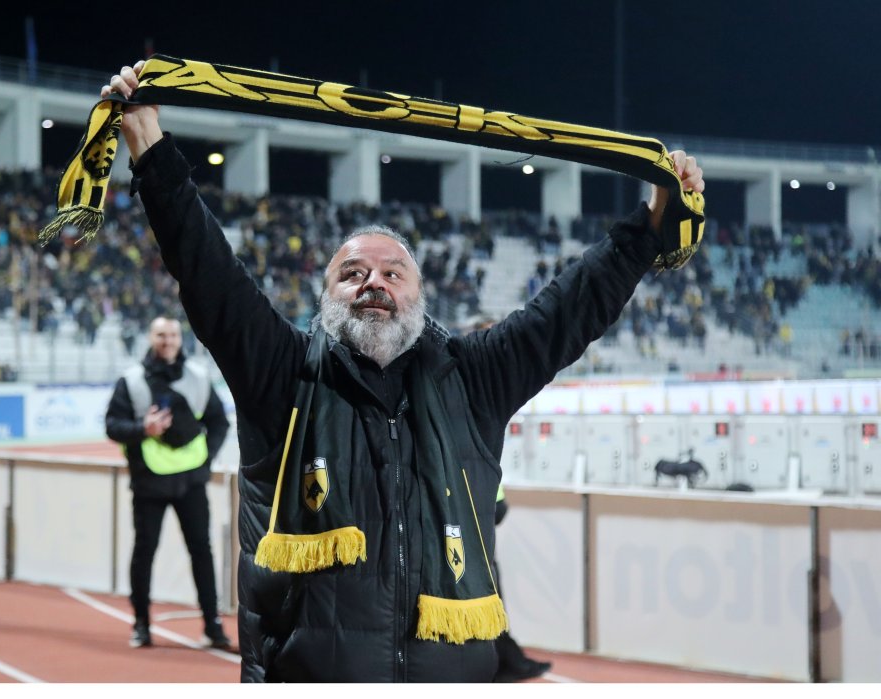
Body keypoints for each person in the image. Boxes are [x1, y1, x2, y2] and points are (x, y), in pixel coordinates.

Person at [103, 62, 704, 682]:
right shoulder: (281, 373)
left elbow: (567, 312)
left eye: (394, 273)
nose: (374, 283)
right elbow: (207, 272)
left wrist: (651, 223)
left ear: (420, 295)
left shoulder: (472, 381)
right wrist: (148, 144)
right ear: (326, 295)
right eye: (353, 273)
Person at [105, 316, 233, 651]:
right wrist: (142, 429)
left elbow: (219, 422)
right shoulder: (131, 381)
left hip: (191, 481)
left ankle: (213, 626)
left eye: (173, 334)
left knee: (201, 551)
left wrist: (206, 459)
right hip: (148, 482)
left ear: (180, 338)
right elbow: (112, 426)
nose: (167, 340)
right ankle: (141, 625)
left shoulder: (198, 377)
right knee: (144, 552)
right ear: (151, 338)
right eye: (161, 335)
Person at [493, 486, 552, 682]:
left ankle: (507, 660)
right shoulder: (480, 467)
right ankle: (507, 662)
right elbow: (499, 511)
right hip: (479, 553)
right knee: (494, 611)